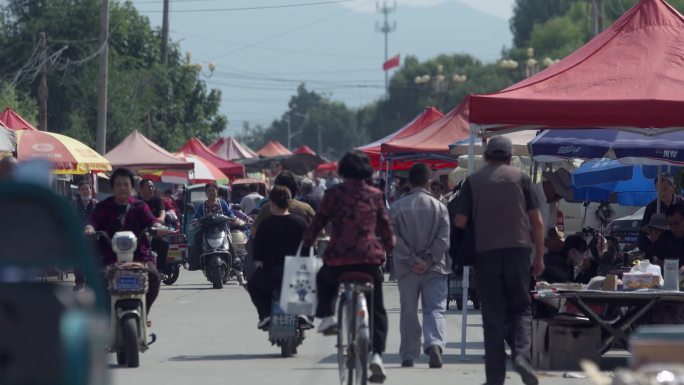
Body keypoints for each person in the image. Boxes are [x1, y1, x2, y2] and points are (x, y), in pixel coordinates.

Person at [454, 136, 544, 385]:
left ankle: (495, 379)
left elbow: (460, 222)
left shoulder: (473, 181)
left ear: (485, 157)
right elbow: (537, 222)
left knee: (493, 316)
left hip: (486, 255)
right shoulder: (522, 179)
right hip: (518, 252)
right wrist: (539, 257)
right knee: (521, 309)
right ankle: (522, 357)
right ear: (509, 157)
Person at [303, 150, 395, 384]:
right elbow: (387, 230)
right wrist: (389, 246)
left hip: (339, 260)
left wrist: (308, 243)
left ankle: (326, 317)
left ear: (343, 170)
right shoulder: (375, 195)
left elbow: (318, 221)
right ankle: (376, 355)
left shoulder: (333, 193)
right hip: (369, 261)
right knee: (378, 310)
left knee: (322, 278)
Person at [85, 168, 169, 315]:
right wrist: (89, 229)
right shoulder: (103, 207)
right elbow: (92, 221)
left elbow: (152, 220)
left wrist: (157, 227)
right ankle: (104, 315)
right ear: (112, 188)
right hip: (108, 258)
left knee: (154, 276)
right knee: (95, 280)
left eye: (126, 184)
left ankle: (144, 312)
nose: (122, 188)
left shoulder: (140, 206)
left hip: (139, 257)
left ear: (132, 187)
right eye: (118, 185)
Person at [390, 163, 450, 369]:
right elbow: (444, 239)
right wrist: (429, 259)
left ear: (409, 181)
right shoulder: (440, 207)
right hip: (435, 267)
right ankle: (434, 344)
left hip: (407, 269)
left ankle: (408, 353)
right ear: (428, 182)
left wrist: (412, 259)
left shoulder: (397, 207)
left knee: (408, 311)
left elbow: (393, 238)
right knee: (434, 309)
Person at [247, 186, 312, 329]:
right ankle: (303, 313)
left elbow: (258, 253)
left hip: (272, 274)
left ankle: (265, 315)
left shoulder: (264, 225)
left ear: (271, 203)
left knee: (252, 285)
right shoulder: (301, 223)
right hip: (296, 275)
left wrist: (259, 267)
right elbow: (308, 250)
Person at [191, 182, 244, 284]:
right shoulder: (202, 206)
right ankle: (196, 263)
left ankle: (239, 274)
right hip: (206, 232)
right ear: (206, 193)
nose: (211, 193)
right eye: (209, 191)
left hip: (222, 231)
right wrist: (195, 220)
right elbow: (196, 217)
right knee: (196, 240)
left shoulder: (222, 203)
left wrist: (234, 219)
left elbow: (229, 213)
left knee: (232, 249)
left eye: (213, 190)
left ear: (217, 191)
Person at [251, 171, 315, 239]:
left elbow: (254, 232)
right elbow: (320, 230)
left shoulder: (266, 208)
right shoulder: (305, 208)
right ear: (295, 189)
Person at [640, 174, 683, 252]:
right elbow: (643, 235)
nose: (662, 193)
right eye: (659, 190)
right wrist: (647, 253)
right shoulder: (651, 208)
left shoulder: (682, 204)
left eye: (665, 189)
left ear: (673, 188)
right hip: (659, 252)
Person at [138, 179, 170, 278]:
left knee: (164, 244)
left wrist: (161, 218)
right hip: (140, 233)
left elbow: (162, 211)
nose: (151, 189)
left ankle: (160, 271)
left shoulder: (157, 200)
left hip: (154, 231)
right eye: (148, 187)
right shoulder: (137, 201)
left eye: (152, 186)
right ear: (141, 189)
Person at [72, 181, 98, 290]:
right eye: (82, 189)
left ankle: (89, 282)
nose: (85, 191)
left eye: (87, 189)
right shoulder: (73, 204)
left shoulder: (96, 204)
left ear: (90, 190)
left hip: (92, 236)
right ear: (79, 191)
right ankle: (79, 282)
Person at [532, 168, 573, 236]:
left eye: (561, 197)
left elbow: (551, 228)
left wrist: (558, 242)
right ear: (550, 183)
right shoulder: (529, 194)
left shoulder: (552, 203)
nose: (557, 199)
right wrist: (546, 242)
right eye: (557, 194)